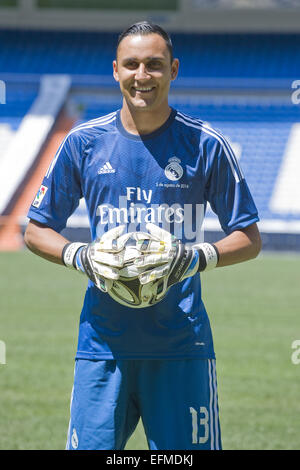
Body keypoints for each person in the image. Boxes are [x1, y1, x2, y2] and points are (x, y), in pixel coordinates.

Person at [24, 21, 261, 451]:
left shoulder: (206, 145)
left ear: (173, 70)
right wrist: (81, 256)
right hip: (102, 347)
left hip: (181, 346)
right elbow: (36, 230)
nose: (142, 75)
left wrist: (196, 257)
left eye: (154, 64)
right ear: (116, 71)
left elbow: (249, 236)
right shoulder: (84, 143)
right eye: (131, 64)